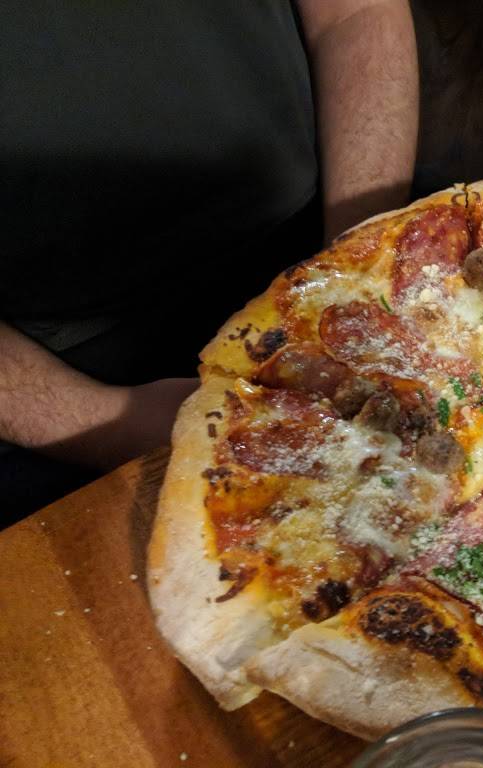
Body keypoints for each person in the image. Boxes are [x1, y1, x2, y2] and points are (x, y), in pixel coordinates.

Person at [0, 0, 419, 522]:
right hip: (63, 368)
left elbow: (355, 14)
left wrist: (355, 260)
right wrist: (101, 421)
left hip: (330, 228)